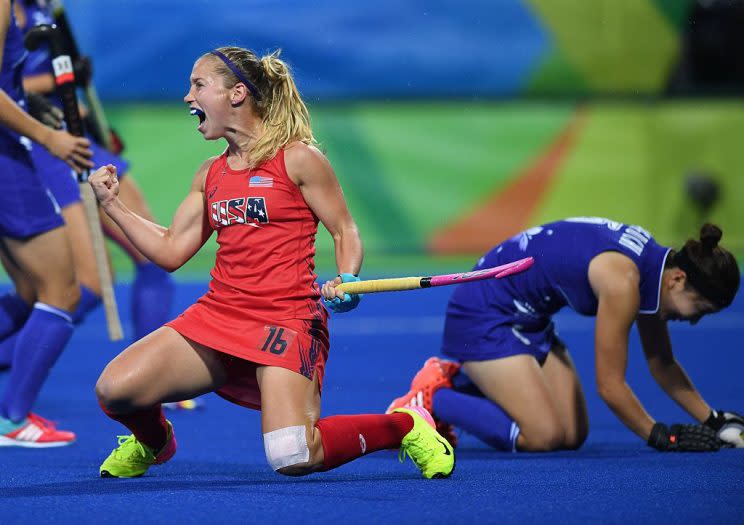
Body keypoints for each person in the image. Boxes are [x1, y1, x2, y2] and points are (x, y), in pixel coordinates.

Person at [87, 46, 455, 479]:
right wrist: (112, 205)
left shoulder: (298, 159)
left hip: (287, 319)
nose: (188, 97)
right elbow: (170, 250)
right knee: (114, 390)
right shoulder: (210, 173)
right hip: (220, 316)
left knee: (293, 455)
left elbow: (344, 230)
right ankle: (155, 442)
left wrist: (348, 277)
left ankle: (405, 424)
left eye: (198, 85)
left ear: (237, 93)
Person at [388, 217, 742, 452]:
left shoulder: (654, 269)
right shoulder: (623, 281)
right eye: (700, 309)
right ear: (678, 280)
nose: (693, 321)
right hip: (484, 315)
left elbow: (661, 362)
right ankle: (432, 399)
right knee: (543, 436)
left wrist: (713, 419)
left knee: (572, 435)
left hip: (529, 320)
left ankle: (466, 382)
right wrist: (660, 436)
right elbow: (610, 386)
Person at [0, 0, 175, 371]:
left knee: (154, 254)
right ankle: (12, 362)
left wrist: (91, 121)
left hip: (74, 136)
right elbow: (10, 85)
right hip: (37, 144)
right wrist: (56, 80)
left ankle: (154, 378)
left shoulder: (45, 8)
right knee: (82, 287)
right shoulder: (8, 9)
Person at [0, 0, 93, 446]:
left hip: (9, 151)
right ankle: (12, 420)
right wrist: (48, 137)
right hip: (5, 160)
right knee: (63, 290)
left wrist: (31, 102)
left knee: (28, 291)